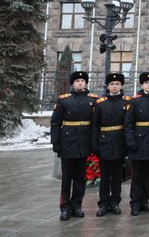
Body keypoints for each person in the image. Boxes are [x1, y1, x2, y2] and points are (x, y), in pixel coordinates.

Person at [50, 71, 98, 221]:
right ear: (72, 83)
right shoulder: (64, 100)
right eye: (77, 81)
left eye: (82, 81)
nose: (80, 83)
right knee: (66, 178)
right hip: (67, 143)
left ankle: (77, 205)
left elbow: (95, 124)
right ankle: (64, 207)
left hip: (84, 142)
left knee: (80, 178)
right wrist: (56, 143)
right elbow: (55, 123)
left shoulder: (93, 100)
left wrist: (93, 144)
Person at [91, 72, 131, 217]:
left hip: (120, 142)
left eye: (117, 84)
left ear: (122, 86)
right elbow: (94, 125)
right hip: (104, 142)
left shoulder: (127, 102)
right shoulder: (100, 103)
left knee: (117, 177)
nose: (114, 87)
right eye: (112, 84)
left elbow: (129, 125)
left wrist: (128, 144)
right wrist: (94, 144)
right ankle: (103, 203)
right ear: (107, 86)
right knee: (105, 176)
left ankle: (115, 202)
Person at [124, 71, 149, 216]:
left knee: (148, 175)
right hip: (138, 141)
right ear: (142, 84)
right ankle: (135, 203)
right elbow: (128, 124)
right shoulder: (134, 101)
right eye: (146, 83)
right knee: (137, 175)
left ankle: (145, 200)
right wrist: (131, 142)